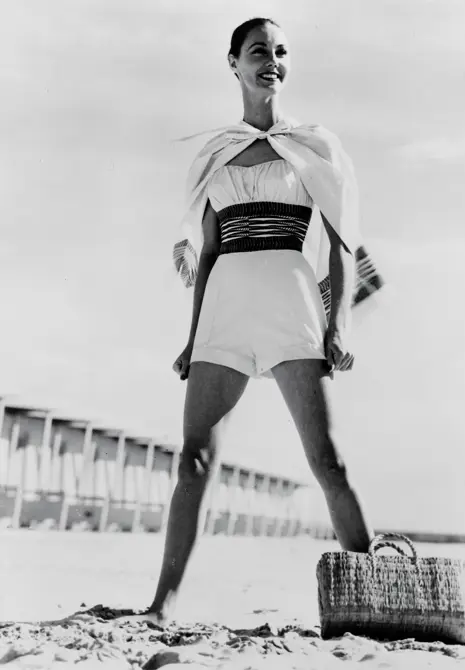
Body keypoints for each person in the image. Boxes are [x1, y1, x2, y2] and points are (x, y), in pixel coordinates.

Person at [145, 17, 376, 624]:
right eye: (257, 51)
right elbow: (212, 249)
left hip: (293, 307)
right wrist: (192, 340)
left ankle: (374, 591)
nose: (269, 60)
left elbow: (343, 244)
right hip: (224, 311)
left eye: (279, 51)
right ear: (233, 63)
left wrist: (339, 324)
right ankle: (162, 604)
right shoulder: (215, 153)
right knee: (193, 458)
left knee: (327, 461)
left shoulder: (316, 146)